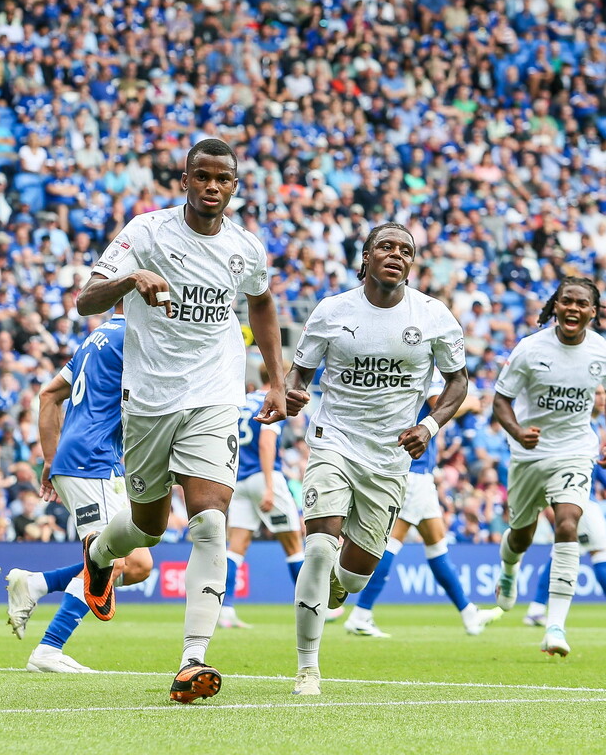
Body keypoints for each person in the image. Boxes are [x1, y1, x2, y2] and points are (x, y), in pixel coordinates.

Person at [75, 138, 286, 703]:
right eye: (202, 176)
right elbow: (86, 300)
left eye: (223, 178)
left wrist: (276, 379)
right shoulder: (146, 232)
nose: (212, 186)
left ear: (234, 186)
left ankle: (193, 659)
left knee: (210, 521)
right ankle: (99, 554)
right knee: (148, 527)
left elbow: (262, 301)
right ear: (185, 179)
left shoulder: (246, 247)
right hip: (149, 399)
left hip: (215, 396)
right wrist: (130, 280)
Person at [285, 222, 468, 696]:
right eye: (385, 246)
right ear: (366, 257)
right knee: (319, 547)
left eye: (405, 250)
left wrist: (429, 426)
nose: (396, 254)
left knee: (352, 578)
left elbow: (458, 382)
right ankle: (307, 668)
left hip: (389, 459)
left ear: (412, 263)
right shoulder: (332, 311)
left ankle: (337, 586)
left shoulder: (433, 315)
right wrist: (293, 393)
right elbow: (298, 373)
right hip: (334, 441)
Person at [5, 303, 153, 673]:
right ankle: (48, 650)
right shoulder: (134, 336)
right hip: (93, 459)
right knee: (111, 559)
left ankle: (36, 584)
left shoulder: (96, 338)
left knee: (138, 564)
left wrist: (51, 457)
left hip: (89, 458)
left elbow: (49, 394)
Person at [492, 276, 606, 658]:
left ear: (592, 312)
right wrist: (518, 431)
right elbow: (501, 400)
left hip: (575, 451)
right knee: (521, 536)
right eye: (567, 301)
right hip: (529, 455)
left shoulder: (605, 353)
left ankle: (555, 626)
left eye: (582, 304)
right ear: (555, 305)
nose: (573, 308)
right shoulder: (530, 349)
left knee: (568, 522)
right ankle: (509, 570)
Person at [344, 379, 502, 638]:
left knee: (437, 545)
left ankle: (468, 613)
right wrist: (470, 403)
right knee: (392, 543)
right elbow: (438, 405)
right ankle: (361, 614)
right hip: (413, 472)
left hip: (419, 472)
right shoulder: (429, 368)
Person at [523, 388, 606, 629]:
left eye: (604, 394)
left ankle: (535, 609)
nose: (603, 398)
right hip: (581, 497)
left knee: (562, 553)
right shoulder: (582, 424)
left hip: (577, 495)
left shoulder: (590, 424)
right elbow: (587, 465)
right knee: (600, 552)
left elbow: (593, 465)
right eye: (597, 393)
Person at [219, 366, 305, 630]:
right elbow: (267, 443)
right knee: (293, 544)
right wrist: (269, 486)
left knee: (236, 546)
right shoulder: (273, 402)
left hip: (240, 480)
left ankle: (225, 611)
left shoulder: (244, 402)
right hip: (264, 476)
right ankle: (314, 606)